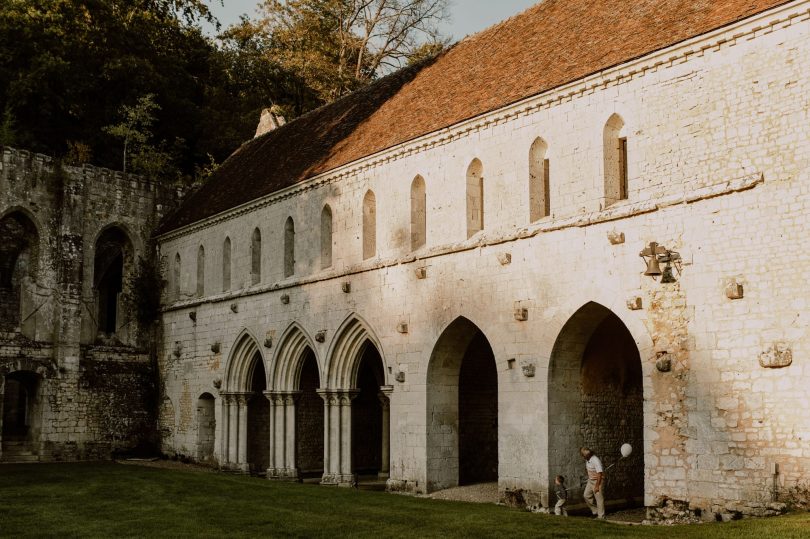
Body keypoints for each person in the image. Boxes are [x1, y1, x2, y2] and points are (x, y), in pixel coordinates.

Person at [580, 447, 605, 519]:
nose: (583, 456)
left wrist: (597, 486)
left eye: (584, 455)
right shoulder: (587, 460)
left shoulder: (595, 460)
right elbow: (590, 470)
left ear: (588, 454)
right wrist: (588, 479)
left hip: (598, 480)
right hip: (590, 481)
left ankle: (601, 516)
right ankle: (596, 510)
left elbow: (600, 474)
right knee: (586, 495)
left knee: (599, 499)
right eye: (582, 455)